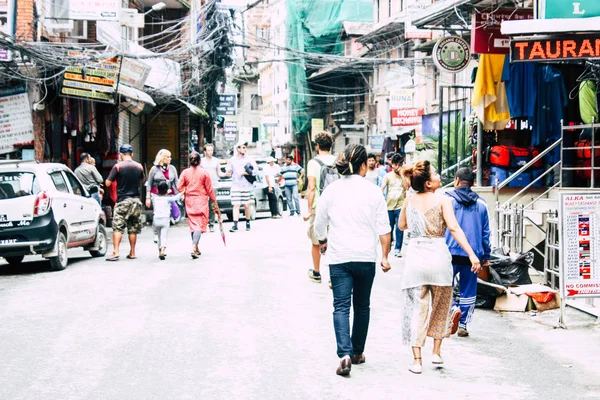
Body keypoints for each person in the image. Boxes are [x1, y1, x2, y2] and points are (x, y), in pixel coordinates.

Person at [314, 144, 392, 377]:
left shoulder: (331, 190)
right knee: (362, 305)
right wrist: (385, 256)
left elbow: (319, 223)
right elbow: (384, 229)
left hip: (340, 258)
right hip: (366, 258)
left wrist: (322, 239)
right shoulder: (374, 191)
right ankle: (357, 352)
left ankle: (344, 355)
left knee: (341, 306)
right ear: (361, 165)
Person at [398, 160, 480, 374]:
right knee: (441, 307)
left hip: (415, 258)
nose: (438, 176)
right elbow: (453, 228)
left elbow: (401, 225)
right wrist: (472, 254)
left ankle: (417, 361)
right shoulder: (443, 200)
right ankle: (436, 352)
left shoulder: (410, 200)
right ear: (427, 183)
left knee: (416, 310)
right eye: (434, 174)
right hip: (439, 258)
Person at [444, 168, 491, 337]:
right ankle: (463, 323)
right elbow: (486, 233)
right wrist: (486, 256)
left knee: (444, 287)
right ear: (473, 183)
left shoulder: (446, 201)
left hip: (448, 252)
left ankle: (452, 309)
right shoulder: (482, 204)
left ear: (456, 181)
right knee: (468, 289)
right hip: (473, 256)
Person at [305, 131, 337, 283]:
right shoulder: (338, 160)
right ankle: (333, 276)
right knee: (335, 240)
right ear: (331, 146)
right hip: (337, 206)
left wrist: (309, 209)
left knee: (316, 240)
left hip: (320, 206)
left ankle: (317, 273)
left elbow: (311, 188)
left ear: (317, 146)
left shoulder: (313, 163)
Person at [105, 144, 146, 261]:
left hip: (123, 201)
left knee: (118, 227)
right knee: (133, 228)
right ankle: (132, 252)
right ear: (132, 154)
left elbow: (108, 183)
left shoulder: (117, 167)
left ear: (120, 155)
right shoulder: (139, 167)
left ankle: (116, 252)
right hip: (136, 201)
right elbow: (142, 180)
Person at [178, 152, 219, 258]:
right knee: (199, 225)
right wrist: (214, 202)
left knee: (193, 224)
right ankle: (194, 246)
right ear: (200, 161)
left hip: (190, 201)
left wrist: (185, 190)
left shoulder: (185, 172)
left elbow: (179, 186)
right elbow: (210, 189)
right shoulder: (204, 173)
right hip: (201, 200)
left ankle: (196, 248)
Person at [145, 149, 179, 242]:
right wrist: (147, 197)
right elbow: (149, 183)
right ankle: (156, 232)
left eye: (170, 157)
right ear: (162, 158)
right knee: (157, 212)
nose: (170, 159)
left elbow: (176, 183)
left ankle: (163, 232)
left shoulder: (172, 168)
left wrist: (180, 194)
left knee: (166, 213)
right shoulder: (154, 169)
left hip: (168, 194)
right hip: (156, 194)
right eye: (167, 157)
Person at [226, 141, 257, 232]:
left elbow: (255, 171)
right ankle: (235, 224)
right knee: (236, 204)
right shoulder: (232, 160)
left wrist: (245, 173)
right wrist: (228, 171)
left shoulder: (249, 159)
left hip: (247, 185)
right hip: (235, 185)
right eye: (242, 147)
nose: (244, 149)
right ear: (238, 149)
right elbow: (228, 170)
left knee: (246, 205)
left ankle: (247, 222)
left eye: (245, 147)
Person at [381, 153, 408, 257]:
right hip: (389, 205)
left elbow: (407, 188)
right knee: (389, 228)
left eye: (398, 165)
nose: (396, 167)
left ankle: (398, 248)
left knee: (399, 228)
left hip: (401, 205)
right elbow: (382, 187)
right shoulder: (387, 176)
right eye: (394, 165)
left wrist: (402, 175)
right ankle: (389, 245)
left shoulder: (404, 176)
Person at [151, 181, 183, 260]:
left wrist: (165, 192)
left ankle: (159, 251)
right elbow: (176, 197)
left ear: (158, 190)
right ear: (167, 190)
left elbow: (157, 194)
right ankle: (162, 251)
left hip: (156, 220)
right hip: (165, 220)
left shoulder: (155, 199)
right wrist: (183, 191)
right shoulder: (168, 199)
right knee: (164, 236)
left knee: (159, 237)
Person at [201, 143, 226, 231]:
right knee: (203, 205)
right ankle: (203, 223)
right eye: (208, 150)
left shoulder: (216, 160)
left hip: (214, 185)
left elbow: (219, 173)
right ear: (205, 151)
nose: (210, 152)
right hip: (203, 186)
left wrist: (226, 174)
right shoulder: (201, 161)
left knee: (212, 205)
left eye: (211, 150)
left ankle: (211, 223)